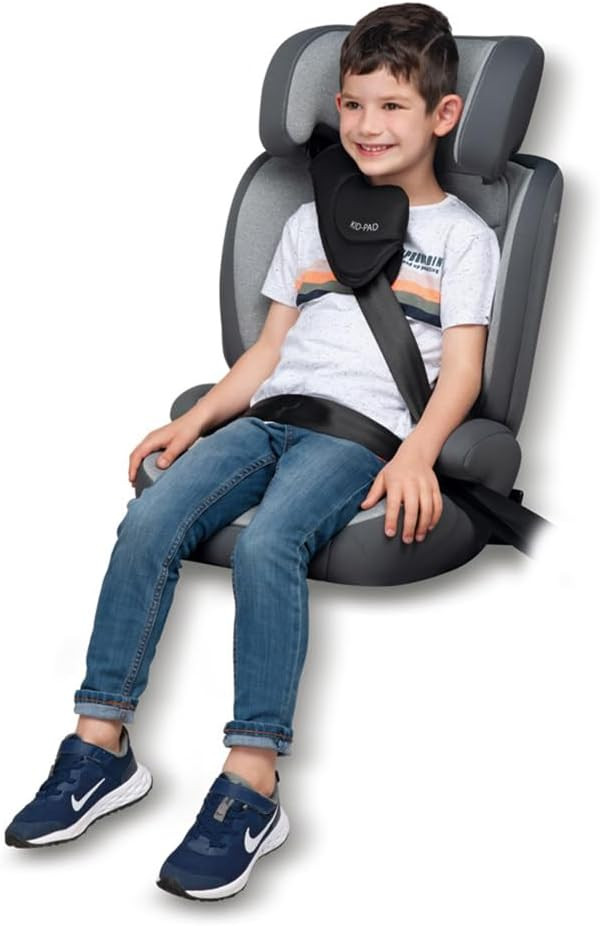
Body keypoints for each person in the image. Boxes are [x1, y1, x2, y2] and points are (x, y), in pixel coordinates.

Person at [4, 2, 500, 903]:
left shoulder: (463, 238)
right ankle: (100, 746)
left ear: (444, 115)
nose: (367, 125)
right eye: (353, 105)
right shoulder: (310, 223)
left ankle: (252, 782)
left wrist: (418, 454)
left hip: (360, 435)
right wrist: (195, 421)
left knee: (272, 544)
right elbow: (267, 352)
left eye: (392, 106)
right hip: (266, 418)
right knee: (147, 517)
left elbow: (461, 372)